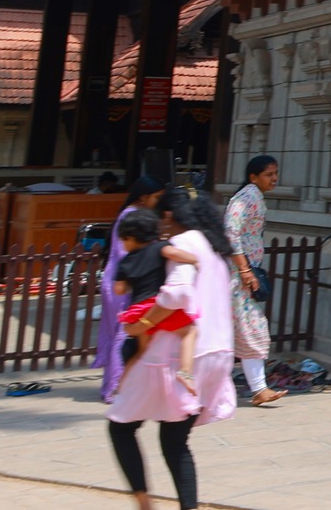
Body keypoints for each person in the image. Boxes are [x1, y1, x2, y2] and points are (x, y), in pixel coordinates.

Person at [107, 182, 236, 510]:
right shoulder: (215, 248)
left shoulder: (179, 242)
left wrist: (144, 323)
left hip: (171, 355)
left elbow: (178, 294)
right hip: (214, 352)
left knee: (121, 425)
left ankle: (144, 503)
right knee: (175, 442)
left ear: (169, 214)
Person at [112, 209, 201, 396]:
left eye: (123, 240)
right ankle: (186, 372)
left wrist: (130, 282)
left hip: (137, 311)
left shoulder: (125, 263)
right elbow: (175, 254)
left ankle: (121, 386)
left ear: (130, 238)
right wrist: (195, 260)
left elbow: (118, 290)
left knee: (141, 351)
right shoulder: (159, 248)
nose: (123, 244)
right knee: (190, 331)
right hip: (158, 306)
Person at [99, 176, 166, 402]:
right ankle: (116, 388)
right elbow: (127, 254)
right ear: (144, 197)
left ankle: (115, 385)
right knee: (123, 332)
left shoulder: (129, 214)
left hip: (120, 280)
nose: (159, 201)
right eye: (157, 197)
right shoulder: (131, 216)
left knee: (119, 332)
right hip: (123, 283)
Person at [224, 155, 280, 406]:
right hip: (240, 277)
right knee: (252, 327)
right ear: (253, 177)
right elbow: (230, 232)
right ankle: (258, 388)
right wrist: (245, 270)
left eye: (275, 173)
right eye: (269, 174)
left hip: (244, 273)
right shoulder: (247, 197)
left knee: (235, 330)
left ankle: (254, 388)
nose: (275, 178)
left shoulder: (254, 196)